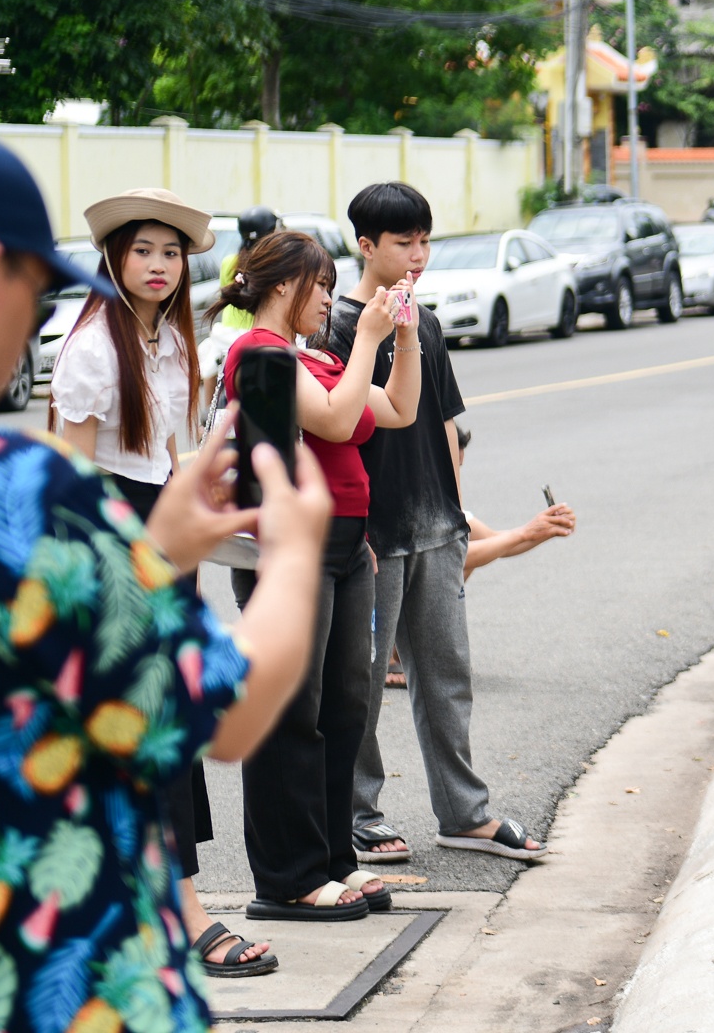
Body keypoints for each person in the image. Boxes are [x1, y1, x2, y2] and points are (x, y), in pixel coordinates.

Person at [0, 122, 331, 1031]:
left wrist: (153, 557)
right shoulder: (9, 493)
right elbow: (227, 714)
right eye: (36, 294)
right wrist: (290, 555)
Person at [48, 187, 276, 977]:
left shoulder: (174, 343)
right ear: (113, 259)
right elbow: (75, 483)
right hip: (113, 540)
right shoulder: (91, 350)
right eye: (142, 250)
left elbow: (171, 460)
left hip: (163, 530)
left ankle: (152, 905)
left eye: (171, 253)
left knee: (170, 725)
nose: (158, 265)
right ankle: (182, 912)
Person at [329, 183, 546, 865]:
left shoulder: (422, 323)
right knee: (361, 681)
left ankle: (465, 814)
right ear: (366, 246)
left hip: (435, 527)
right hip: (372, 534)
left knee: (447, 674)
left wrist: (456, 518)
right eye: (403, 243)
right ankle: (357, 812)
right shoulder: (339, 327)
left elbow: (445, 424)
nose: (418, 255)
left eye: (425, 241)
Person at [217, 229, 422, 920]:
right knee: (292, 714)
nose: (330, 300)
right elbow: (335, 424)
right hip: (292, 549)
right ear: (283, 286)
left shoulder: (313, 357)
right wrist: (366, 337)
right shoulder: (260, 353)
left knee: (343, 709)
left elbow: (397, 410)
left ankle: (336, 860)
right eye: (321, 286)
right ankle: (289, 877)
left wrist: (405, 338)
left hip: (345, 544)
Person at [452, 427, 576, 581]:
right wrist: (524, 532)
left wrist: (547, 527)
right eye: (452, 470)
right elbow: (456, 557)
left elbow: (492, 541)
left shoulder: (449, 508)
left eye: (459, 469)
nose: (456, 478)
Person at [199, 205, 280, 397]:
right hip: (260, 333)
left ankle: (207, 415)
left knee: (209, 354)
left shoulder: (229, 261)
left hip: (226, 332)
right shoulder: (275, 262)